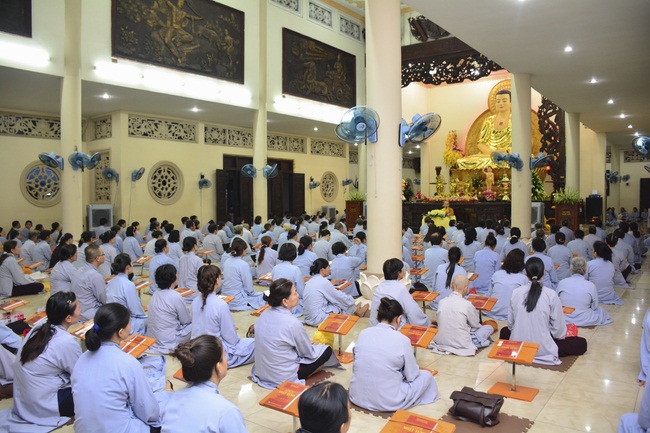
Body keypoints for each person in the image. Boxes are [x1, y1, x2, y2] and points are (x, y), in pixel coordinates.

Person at [72, 303, 161, 432]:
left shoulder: (82, 359)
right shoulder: (128, 363)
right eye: (129, 323)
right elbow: (147, 410)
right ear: (120, 332)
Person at [7, 292, 81, 430]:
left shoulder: (38, 328)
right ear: (68, 318)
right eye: (78, 307)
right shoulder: (66, 341)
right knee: (96, 390)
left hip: (25, 398)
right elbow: (80, 375)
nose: (80, 309)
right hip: (44, 403)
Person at [350, 297, 438, 411]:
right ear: (399, 319)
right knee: (426, 376)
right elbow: (411, 375)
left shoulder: (363, 333)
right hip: (387, 401)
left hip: (356, 396)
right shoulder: (402, 340)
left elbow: (356, 367)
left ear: (377, 316)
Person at [251, 278, 340, 389]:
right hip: (282, 377)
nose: (297, 295)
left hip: (262, 372)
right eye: (294, 293)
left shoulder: (264, 314)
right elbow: (308, 353)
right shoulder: (293, 323)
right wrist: (309, 345)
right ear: (285, 301)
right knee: (326, 350)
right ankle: (311, 372)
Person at [499, 257, 587, 365]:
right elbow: (558, 332)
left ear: (526, 273)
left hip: (519, 345)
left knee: (504, 331)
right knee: (581, 343)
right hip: (543, 348)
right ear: (544, 273)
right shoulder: (551, 295)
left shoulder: (516, 292)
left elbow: (511, 325)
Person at [161, 335, 247, 433]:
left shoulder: (173, 398)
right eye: (224, 356)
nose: (227, 362)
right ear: (218, 366)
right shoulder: (226, 411)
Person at [191, 266, 254, 368]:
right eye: (220, 277)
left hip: (197, 350)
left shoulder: (195, 302)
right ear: (217, 281)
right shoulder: (220, 304)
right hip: (216, 352)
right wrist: (238, 340)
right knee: (256, 344)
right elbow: (231, 338)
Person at [432, 275, 495, 356]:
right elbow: (476, 325)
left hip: (441, 341)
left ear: (451, 285)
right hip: (462, 343)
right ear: (465, 288)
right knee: (488, 327)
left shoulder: (441, 302)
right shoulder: (467, 304)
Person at [303, 259, 367, 326]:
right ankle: (358, 311)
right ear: (322, 270)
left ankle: (356, 310)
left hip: (309, 317)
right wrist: (352, 300)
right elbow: (338, 297)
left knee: (341, 300)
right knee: (342, 301)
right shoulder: (323, 282)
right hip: (318, 318)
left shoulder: (310, 281)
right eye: (328, 267)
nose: (329, 269)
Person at [370, 258, 430, 327]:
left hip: (376, 326)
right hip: (394, 327)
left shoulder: (379, 287)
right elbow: (413, 311)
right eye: (402, 269)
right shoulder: (400, 288)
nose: (404, 271)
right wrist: (426, 322)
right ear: (398, 273)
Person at [147, 264, 192, 354]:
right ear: (174, 277)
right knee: (197, 323)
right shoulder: (175, 296)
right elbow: (186, 321)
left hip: (154, 339)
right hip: (170, 340)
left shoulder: (155, 293)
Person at [557, 257, 612, 326]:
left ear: (571, 268)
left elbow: (556, 301)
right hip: (584, 318)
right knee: (601, 312)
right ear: (585, 270)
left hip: (564, 317)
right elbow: (594, 307)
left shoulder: (562, 282)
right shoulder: (591, 285)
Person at [106, 253, 147, 335]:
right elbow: (136, 310)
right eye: (131, 263)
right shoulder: (128, 284)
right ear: (127, 267)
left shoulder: (111, 282)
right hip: (123, 320)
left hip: (111, 318)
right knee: (145, 320)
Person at [484, 249, 528, 321]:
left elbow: (489, 294)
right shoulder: (523, 278)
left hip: (492, 310)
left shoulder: (497, 274)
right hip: (509, 314)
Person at [222, 238, 265, 311]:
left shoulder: (227, 261)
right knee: (262, 298)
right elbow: (249, 288)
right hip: (237, 298)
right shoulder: (243, 264)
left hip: (226, 295)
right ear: (243, 250)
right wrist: (254, 293)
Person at [71, 244, 107, 321]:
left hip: (77, 309)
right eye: (103, 254)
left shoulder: (79, 270)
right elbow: (104, 299)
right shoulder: (95, 276)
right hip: (89, 313)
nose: (104, 256)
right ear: (97, 258)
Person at [272, 243, 305, 316]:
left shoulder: (275, 268)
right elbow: (301, 291)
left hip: (277, 301)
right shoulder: (295, 269)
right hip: (290, 302)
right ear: (294, 254)